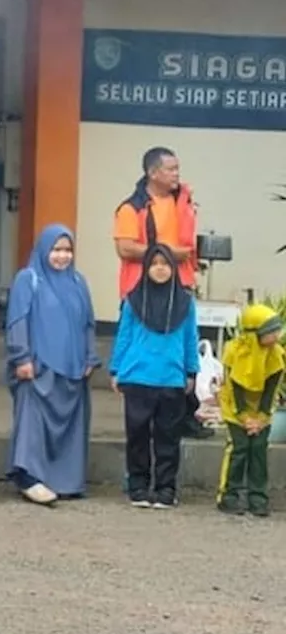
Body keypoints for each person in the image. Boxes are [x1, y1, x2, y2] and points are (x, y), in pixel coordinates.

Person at [113, 147, 210, 440]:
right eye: (171, 169)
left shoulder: (183, 201)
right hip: (140, 293)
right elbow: (125, 247)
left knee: (179, 351)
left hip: (177, 289)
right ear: (152, 173)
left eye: (177, 169)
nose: (176, 175)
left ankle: (182, 416)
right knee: (142, 354)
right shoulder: (132, 207)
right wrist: (165, 256)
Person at [5, 224, 99, 505]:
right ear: (44, 250)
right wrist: (21, 356)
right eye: (56, 249)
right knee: (33, 422)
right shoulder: (28, 279)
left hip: (73, 367)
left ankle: (65, 480)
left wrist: (90, 356)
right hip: (38, 366)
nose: (62, 256)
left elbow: (88, 323)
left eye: (67, 250)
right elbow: (17, 320)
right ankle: (28, 476)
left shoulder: (78, 282)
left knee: (71, 426)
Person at [108, 245, 199, 509]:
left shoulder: (184, 303)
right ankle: (138, 486)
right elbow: (124, 336)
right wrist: (116, 369)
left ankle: (165, 488)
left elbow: (190, 338)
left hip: (171, 378)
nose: (160, 268)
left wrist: (191, 371)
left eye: (166, 264)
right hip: (137, 377)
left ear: (174, 268)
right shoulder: (134, 301)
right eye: (154, 263)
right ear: (146, 268)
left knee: (168, 438)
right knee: (137, 436)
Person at [215, 304, 284, 517]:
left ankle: (258, 497)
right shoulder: (234, 352)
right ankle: (228, 495)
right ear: (255, 333)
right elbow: (232, 389)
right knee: (239, 448)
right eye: (271, 332)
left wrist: (262, 418)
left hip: (261, 412)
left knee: (259, 450)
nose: (276, 336)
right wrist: (244, 418)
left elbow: (272, 391)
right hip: (236, 409)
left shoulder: (277, 355)